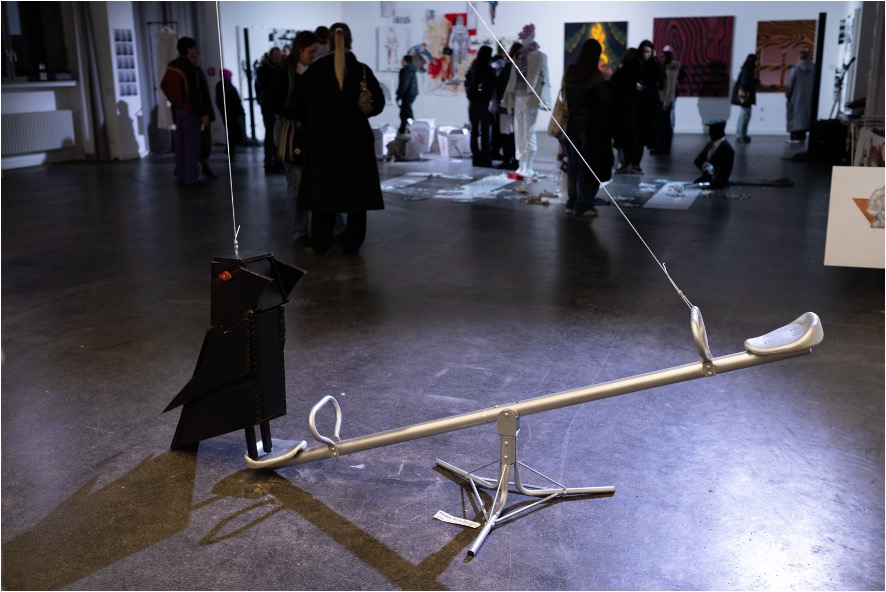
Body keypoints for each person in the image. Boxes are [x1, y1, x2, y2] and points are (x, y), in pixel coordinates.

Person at [295, 23, 385, 255]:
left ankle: (321, 244)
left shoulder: (315, 71)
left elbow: (297, 104)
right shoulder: (361, 70)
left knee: (323, 193)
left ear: (327, 43)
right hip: (356, 142)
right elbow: (377, 105)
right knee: (356, 194)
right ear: (350, 41)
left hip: (322, 143)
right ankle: (352, 244)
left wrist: (312, 123)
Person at [266, 30, 320, 247]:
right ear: (300, 49)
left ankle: (333, 228)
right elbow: (269, 101)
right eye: (311, 51)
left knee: (317, 181)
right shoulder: (286, 73)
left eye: (316, 52)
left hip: (308, 131)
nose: (314, 55)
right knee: (296, 184)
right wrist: (295, 115)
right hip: (290, 132)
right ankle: (300, 232)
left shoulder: (313, 71)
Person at [562, 39, 621, 217]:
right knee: (584, 165)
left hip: (571, 122)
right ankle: (582, 204)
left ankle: (571, 202)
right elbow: (606, 100)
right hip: (588, 124)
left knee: (572, 163)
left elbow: (564, 95)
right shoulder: (594, 75)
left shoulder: (571, 70)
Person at [160, 36, 213, 187]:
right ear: (188, 49)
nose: (196, 50)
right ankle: (191, 178)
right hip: (190, 110)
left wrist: (174, 100)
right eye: (194, 47)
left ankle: (182, 177)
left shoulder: (172, 65)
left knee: (180, 144)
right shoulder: (188, 67)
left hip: (178, 110)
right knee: (192, 145)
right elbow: (194, 93)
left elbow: (163, 85)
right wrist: (203, 113)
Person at [501, 24, 550, 178]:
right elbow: (512, 79)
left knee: (529, 131)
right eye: (523, 37)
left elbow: (544, 79)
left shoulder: (540, 56)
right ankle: (522, 165)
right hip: (518, 97)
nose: (523, 39)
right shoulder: (518, 55)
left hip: (530, 98)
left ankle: (529, 166)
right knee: (519, 132)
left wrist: (545, 100)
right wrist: (509, 99)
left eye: (526, 36)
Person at [611, 47, 645, 174]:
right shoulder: (637, 69)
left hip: (624, 109)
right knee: (633, 138)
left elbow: (614, 83)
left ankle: (625, 164)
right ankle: (632, 164)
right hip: (632, 109)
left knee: (624, 138)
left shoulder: (622, 70)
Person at [464, 45, 497, 167]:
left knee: (474, 130)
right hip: (484, 103)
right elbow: (492, 86)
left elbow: (467, 84)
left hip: (473, 103)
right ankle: (485, 157)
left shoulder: (473, 68)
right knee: (485, 131)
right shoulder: (489, 70)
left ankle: (476, 156)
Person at [494, 42, 522, 170]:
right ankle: (515, 160)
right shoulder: (520, 69)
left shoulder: (508, 68)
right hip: (518, 105)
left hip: (506, 105)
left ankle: (508, 159)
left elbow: (500, 85)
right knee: (515, 133)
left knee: (506, 133)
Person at [255, 46, 283, 172]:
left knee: (276, 135)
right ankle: (269, 162)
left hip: (277, 106)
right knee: (271, 134)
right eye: (275, 56)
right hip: (269, 107)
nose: (277, 58)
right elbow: (266, 87)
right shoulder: (263, 70)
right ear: (270, 56)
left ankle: (276, 161)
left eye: (278, 55)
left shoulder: (279, 68)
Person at [693, 118, 734, 189]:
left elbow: (724, 173)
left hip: (717, 183)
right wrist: (704, 165)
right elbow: (698, 160)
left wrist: (713, 171)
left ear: (718, 131)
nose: (710, 133)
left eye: (712, 130)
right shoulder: (709, 144)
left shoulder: (727, 149)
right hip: (706, 179)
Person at [657, 45, 683, 153]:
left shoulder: (670, 70)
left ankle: (665, 147)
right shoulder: (665, 68)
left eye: (662, 57)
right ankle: (662, 146)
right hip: (662, 100)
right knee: (663, 125)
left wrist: (666, 103)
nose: (660, 59)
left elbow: (670, 89)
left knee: (666, 125)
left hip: (665, 101)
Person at [215, 68, 245, 158]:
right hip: (231, 112)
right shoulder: (227, 86)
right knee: (231, 130)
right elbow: (234, 100)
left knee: (230, 130)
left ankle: (230, 148)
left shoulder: (221, 85)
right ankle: (230, 149)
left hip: (228, 111)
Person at [786, 49, 814, 143]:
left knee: (795, 117)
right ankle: (802, 137)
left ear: (799, 57)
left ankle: (795, 137)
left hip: (796, 98)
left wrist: (788, 95)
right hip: (810, 98)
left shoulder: (796, 69)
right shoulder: (814, 68)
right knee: (805, 117)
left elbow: (790, 85)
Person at [731, 54, 759, 143]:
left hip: (745, 96)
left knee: (744, 114)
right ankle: (741, 134)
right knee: (745, 115)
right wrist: (756, 82)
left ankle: (741, 134)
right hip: (745, 97)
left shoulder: (746, 69)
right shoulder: (747, 70)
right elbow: (745, 83)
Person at [396, 54, 418, 135]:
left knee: (407, 112)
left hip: (407, 94)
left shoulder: (406, 70)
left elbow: (404, 84)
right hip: (411, 93)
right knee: (404, 112)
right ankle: (402, 129)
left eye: (402, 60)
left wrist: (399, 95)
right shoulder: (411, 69)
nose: (401, 62)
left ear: (405, 61)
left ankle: (412, 128)